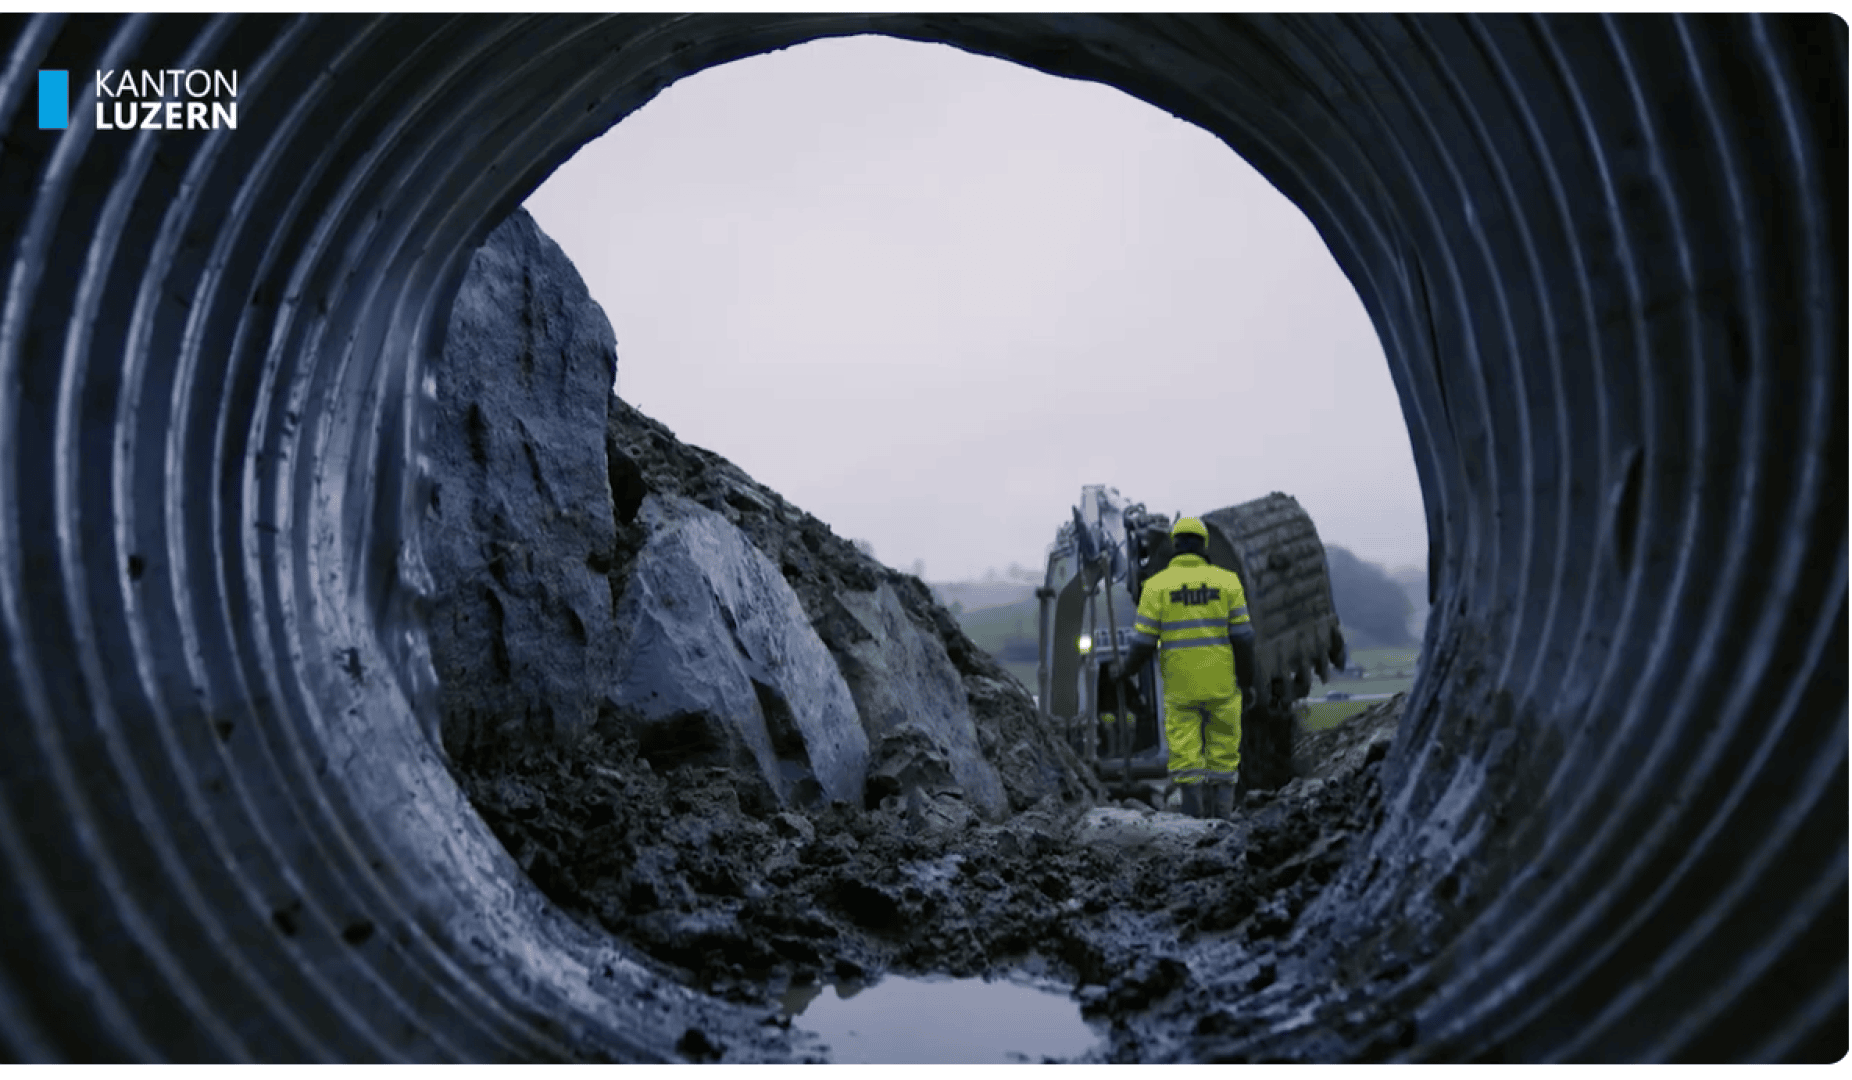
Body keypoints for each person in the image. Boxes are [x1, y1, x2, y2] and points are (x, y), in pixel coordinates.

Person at [1108, 517, 1255, 819]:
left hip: (1180, 688)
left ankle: (1192, 823)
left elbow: (1142, 644)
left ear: (1175, 546)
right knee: (1224, 755)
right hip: (1221, 685)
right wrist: (1248, 680)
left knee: (1186, 759)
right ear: (1204, 545)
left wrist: (1123, 671)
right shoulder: (1228, 582)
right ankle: (1223, 819)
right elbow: (1244, 640)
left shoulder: (1156, 586)